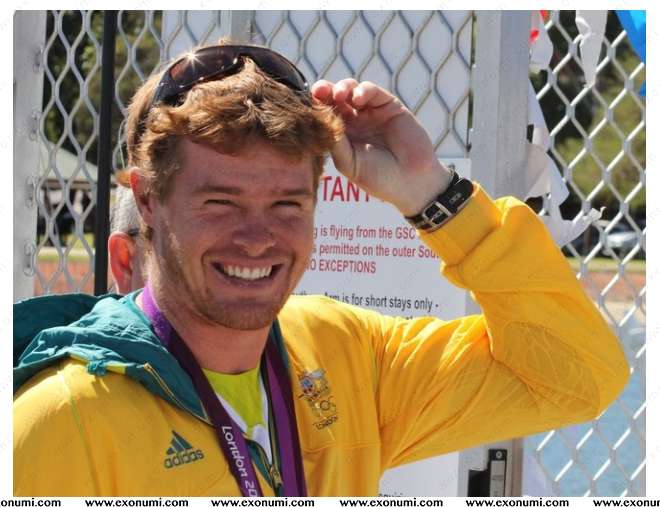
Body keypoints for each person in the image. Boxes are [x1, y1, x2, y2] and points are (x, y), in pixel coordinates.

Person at [13, 42, 630, 497]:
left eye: (287, 205)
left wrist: (432, 193)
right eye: (221, 202)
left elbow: (576, 375)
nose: (257, 238)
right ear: (147, 199)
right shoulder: (61, 419)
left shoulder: (344, 353)